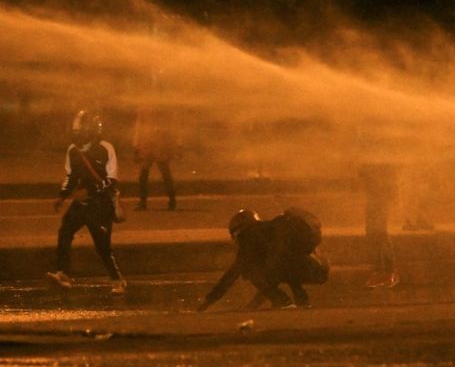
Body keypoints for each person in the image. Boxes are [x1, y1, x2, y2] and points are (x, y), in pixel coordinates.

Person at [46, 110, 127, 295]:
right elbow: (71, 175)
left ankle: (118, 280)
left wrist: (89, 191)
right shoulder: (73, 150)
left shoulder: (106, 148)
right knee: (65, 232)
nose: (78, 135)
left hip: (100, 205)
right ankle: (63, 273)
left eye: (81, 131)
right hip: (81, 204)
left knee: (102, 245)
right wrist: (62, 195)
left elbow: (112, 180)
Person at [197, 207, 329, 311]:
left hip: (304, 267)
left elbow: (233, 274)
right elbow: (276, 273)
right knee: (282, 263)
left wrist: (208, 301)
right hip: (318, 268)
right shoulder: (271, 232)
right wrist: (252, 305)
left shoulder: (251, 236)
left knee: (251, 270)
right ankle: (301, 301)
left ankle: (285, 302)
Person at [359, 163, 400, 288]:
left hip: (379, 198)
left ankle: (386, 272)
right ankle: (383, 271)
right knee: (375, 234)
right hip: (375, 198)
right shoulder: (377, 165)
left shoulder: (379, 166)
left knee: (378, 234)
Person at [133, 103, 178, 211]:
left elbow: (138, 127)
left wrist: (136, 145)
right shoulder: (156, 108)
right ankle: (171, 200)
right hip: (153, 144)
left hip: (152, 144)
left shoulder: (147, 108)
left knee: (152, 174)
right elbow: (139, 127)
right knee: (162, 174)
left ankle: (144, 202)